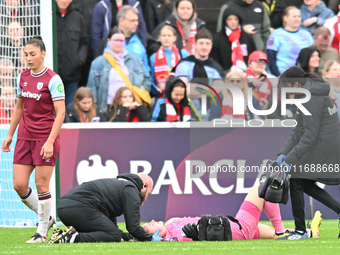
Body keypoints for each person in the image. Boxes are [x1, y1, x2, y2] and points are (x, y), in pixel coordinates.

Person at [1, 36, 66, 243]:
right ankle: (47, 218)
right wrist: (10, 134)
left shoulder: (53, 79)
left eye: (32, 54)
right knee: (19, 185)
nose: (28, 58)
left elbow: (61, 113)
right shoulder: (23, 77)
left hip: (44, 139)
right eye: (25, 55)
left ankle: (41, 232)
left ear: (43, 54)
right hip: (23, 138)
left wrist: (49, 141)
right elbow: (19, 107)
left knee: (41, 185)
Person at [275, 66, 340, 240]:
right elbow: (299, 130)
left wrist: (290, 159)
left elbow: (310, 135)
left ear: (296, 84)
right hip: (327, 143)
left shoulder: (308, 97)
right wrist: (283, 153)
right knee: (302, 181)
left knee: (296, 178)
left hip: (324, 144)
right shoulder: (307, 93)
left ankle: (300, 232)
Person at [142, 181, 322, 241]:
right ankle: (282, 231)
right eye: (148, 227)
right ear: (153, 236)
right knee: (263, 186)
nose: (151, 221)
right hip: (235, 229)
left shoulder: (172, 224)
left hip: (232, 227)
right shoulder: (172, 239)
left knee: (270, 233)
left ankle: (308, 233)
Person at [48, 173, 163, 243]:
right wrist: (150, 238)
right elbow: (133, 227)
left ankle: (64, 235)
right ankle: (72, 237)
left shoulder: (120, 185)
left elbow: (110, 227)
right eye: (148, 193)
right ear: (144, 185)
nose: (146, 199)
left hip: (64, 208)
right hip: (78, 207)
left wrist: (128, 237)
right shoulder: (132, 190)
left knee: (111, 233)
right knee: (113, 236)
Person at [87, 28, 151, 114]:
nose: (119, 43)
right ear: (108, 41)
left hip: (131, 107)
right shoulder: (98, 62)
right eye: (116, 40)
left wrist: (138, 91)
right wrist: (94, 108)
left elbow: (147, 80)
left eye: (122, 40)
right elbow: (91, 87)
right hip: (107, 108)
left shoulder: (135, 61)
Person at [174, 29, 224, 120]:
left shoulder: (216, 68)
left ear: (211, 46)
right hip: (187, 113)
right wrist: (209, 89)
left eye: (207, 43)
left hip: (212, 114)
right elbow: (181, 91)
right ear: (195, 44)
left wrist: (194, 87)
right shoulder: (183, 65)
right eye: (201, 43)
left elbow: (219, 92)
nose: (204, 47)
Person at [56, 0, 89, 106]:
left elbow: (85, 42)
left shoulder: (78, 18)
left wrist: (79, 60)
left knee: (70, 109)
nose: (64, 1)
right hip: (51, 74)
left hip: (72, 74)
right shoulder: (48, 16)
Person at [267, 6, 314, 77]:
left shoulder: (307, 34)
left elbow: (313, 55)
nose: (297, 19)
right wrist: (277, 75)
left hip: (303, 76)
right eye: (294, 16)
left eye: (299, 16)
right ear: (285, 18)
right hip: (282, 74)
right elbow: (271, 57)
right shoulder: (276, 34)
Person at [210, 7, 256, 72]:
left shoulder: (247, 38)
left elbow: (253, 58)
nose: (233, 22)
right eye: (230, 19)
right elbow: (214, 60)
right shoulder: (217, 39)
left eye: (236, 19)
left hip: (245, 75)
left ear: (239, 20)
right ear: (225, 21)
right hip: (223, 75)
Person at [149, 25, 189, 96]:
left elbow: (190, 74)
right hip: (162, 96)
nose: (166, 38)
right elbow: (152, 78)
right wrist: (156, 90)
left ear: (174, 38)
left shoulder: (183, 54)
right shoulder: (153, 57)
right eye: (164, 35)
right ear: (159, 38)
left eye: (169, 36)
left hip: (181, 96)